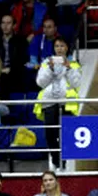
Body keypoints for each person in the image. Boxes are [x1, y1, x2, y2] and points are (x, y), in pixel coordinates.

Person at [34, 36, 82, 168]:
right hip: (49, 102)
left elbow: (76, 83)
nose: (59, 49)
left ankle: (64, 163)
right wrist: (50, 69)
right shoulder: (46, 63)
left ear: (66, 48)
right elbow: (40, 83)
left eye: (62, 46)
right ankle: (56, 161)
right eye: (57, 46)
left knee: (65, 135)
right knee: (50, 134)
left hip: (66, 103)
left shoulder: (73, 64)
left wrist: (68, 68)